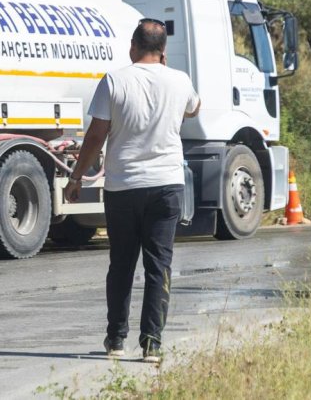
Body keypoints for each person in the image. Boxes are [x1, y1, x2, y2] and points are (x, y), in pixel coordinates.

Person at [65, 19, 201, 365]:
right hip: (167, 185)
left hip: (123, 186)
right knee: (159, 264)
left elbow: (96, 136)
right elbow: (193, 107)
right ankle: (152, 343)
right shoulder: (180, 80)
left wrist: (77, 177)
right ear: (164, 50)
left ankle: (116, 338)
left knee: (122, 263)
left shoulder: (115, 80)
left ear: (132, 46)